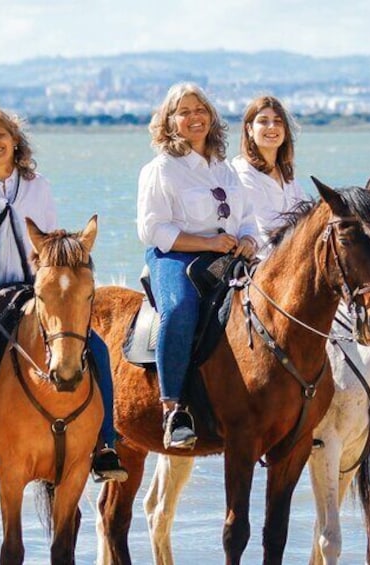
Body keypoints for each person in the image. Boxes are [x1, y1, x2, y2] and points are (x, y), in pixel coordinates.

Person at [0, 107, 127, 483]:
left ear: (14, 139)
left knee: (95, 347)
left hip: (26, 291)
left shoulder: (38, 187)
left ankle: (105, 444)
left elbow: (50, 242)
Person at [137, 83, 259, 450]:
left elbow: (248, 218)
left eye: (200, 110)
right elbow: (152, 229)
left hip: (231, 256)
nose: (194, 118)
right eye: (184, 112)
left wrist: (250, 239)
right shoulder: (161, 169)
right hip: (176, 256)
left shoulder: (225, 169)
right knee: (179, 309)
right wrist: (205, 243)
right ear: (170, 121)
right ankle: (173, 408)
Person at [231, 95, 305, 256]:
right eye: (263, 121)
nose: (272, 126)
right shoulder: (243, 172)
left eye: (278, 121)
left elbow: (306, 216)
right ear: (249, 129)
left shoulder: (287, 175)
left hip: (294, 257)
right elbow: (267, 229)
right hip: (261, 263)